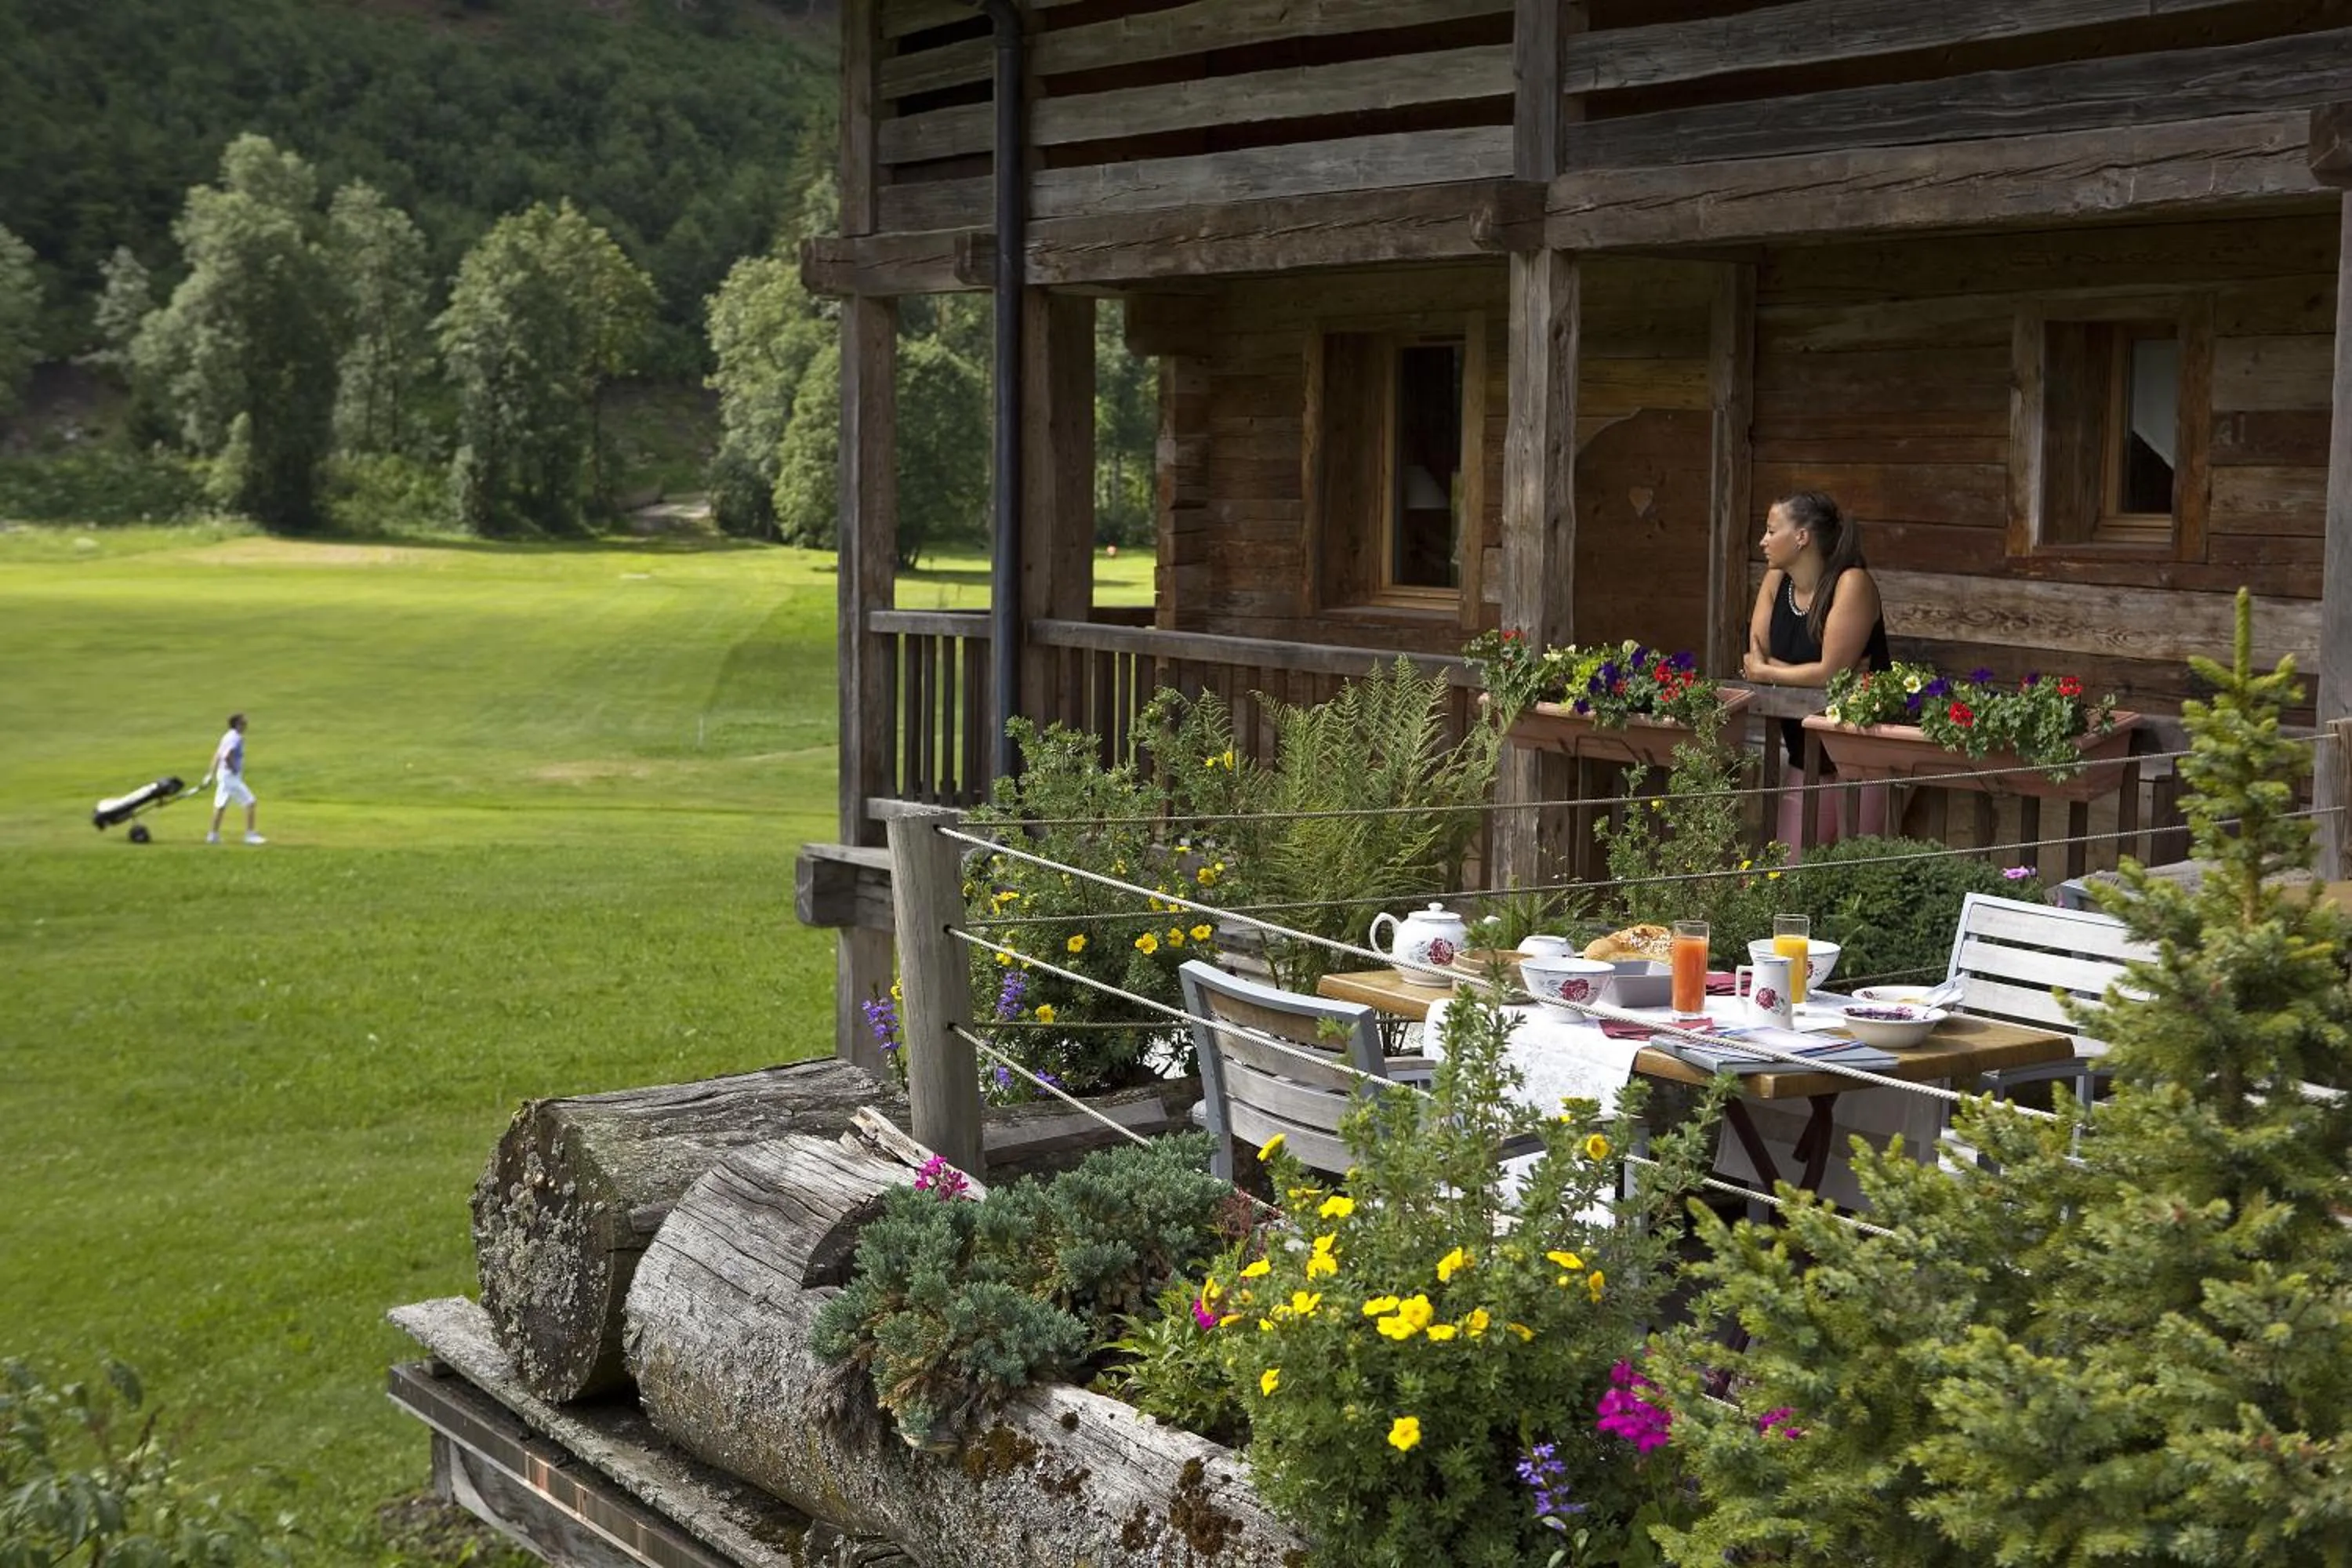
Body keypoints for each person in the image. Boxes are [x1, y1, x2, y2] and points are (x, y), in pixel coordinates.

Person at [1740, 492, 1890, 851]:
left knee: (1858, 875)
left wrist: (1769, 672)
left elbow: (1829, 672)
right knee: (1787, 872)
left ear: (1801, 537)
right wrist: (1771, 670)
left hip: (1860, 756)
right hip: (1806, 753)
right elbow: (1755, 658)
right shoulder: (1776, 582)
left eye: (1771, 531)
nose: (1763, 541)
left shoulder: (1850, 582)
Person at [201, 712, 266, 845]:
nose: (246, 725)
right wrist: (234, 768)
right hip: (230, 777)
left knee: (220, 806)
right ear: (237, 724)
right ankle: (250, 835)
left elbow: (217, 755)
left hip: (223, 775)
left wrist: (210, 774)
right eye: (243, 723)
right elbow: (226, 755)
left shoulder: (226, 736)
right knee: (250, 802)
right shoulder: (236, 738)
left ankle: (213, 835)